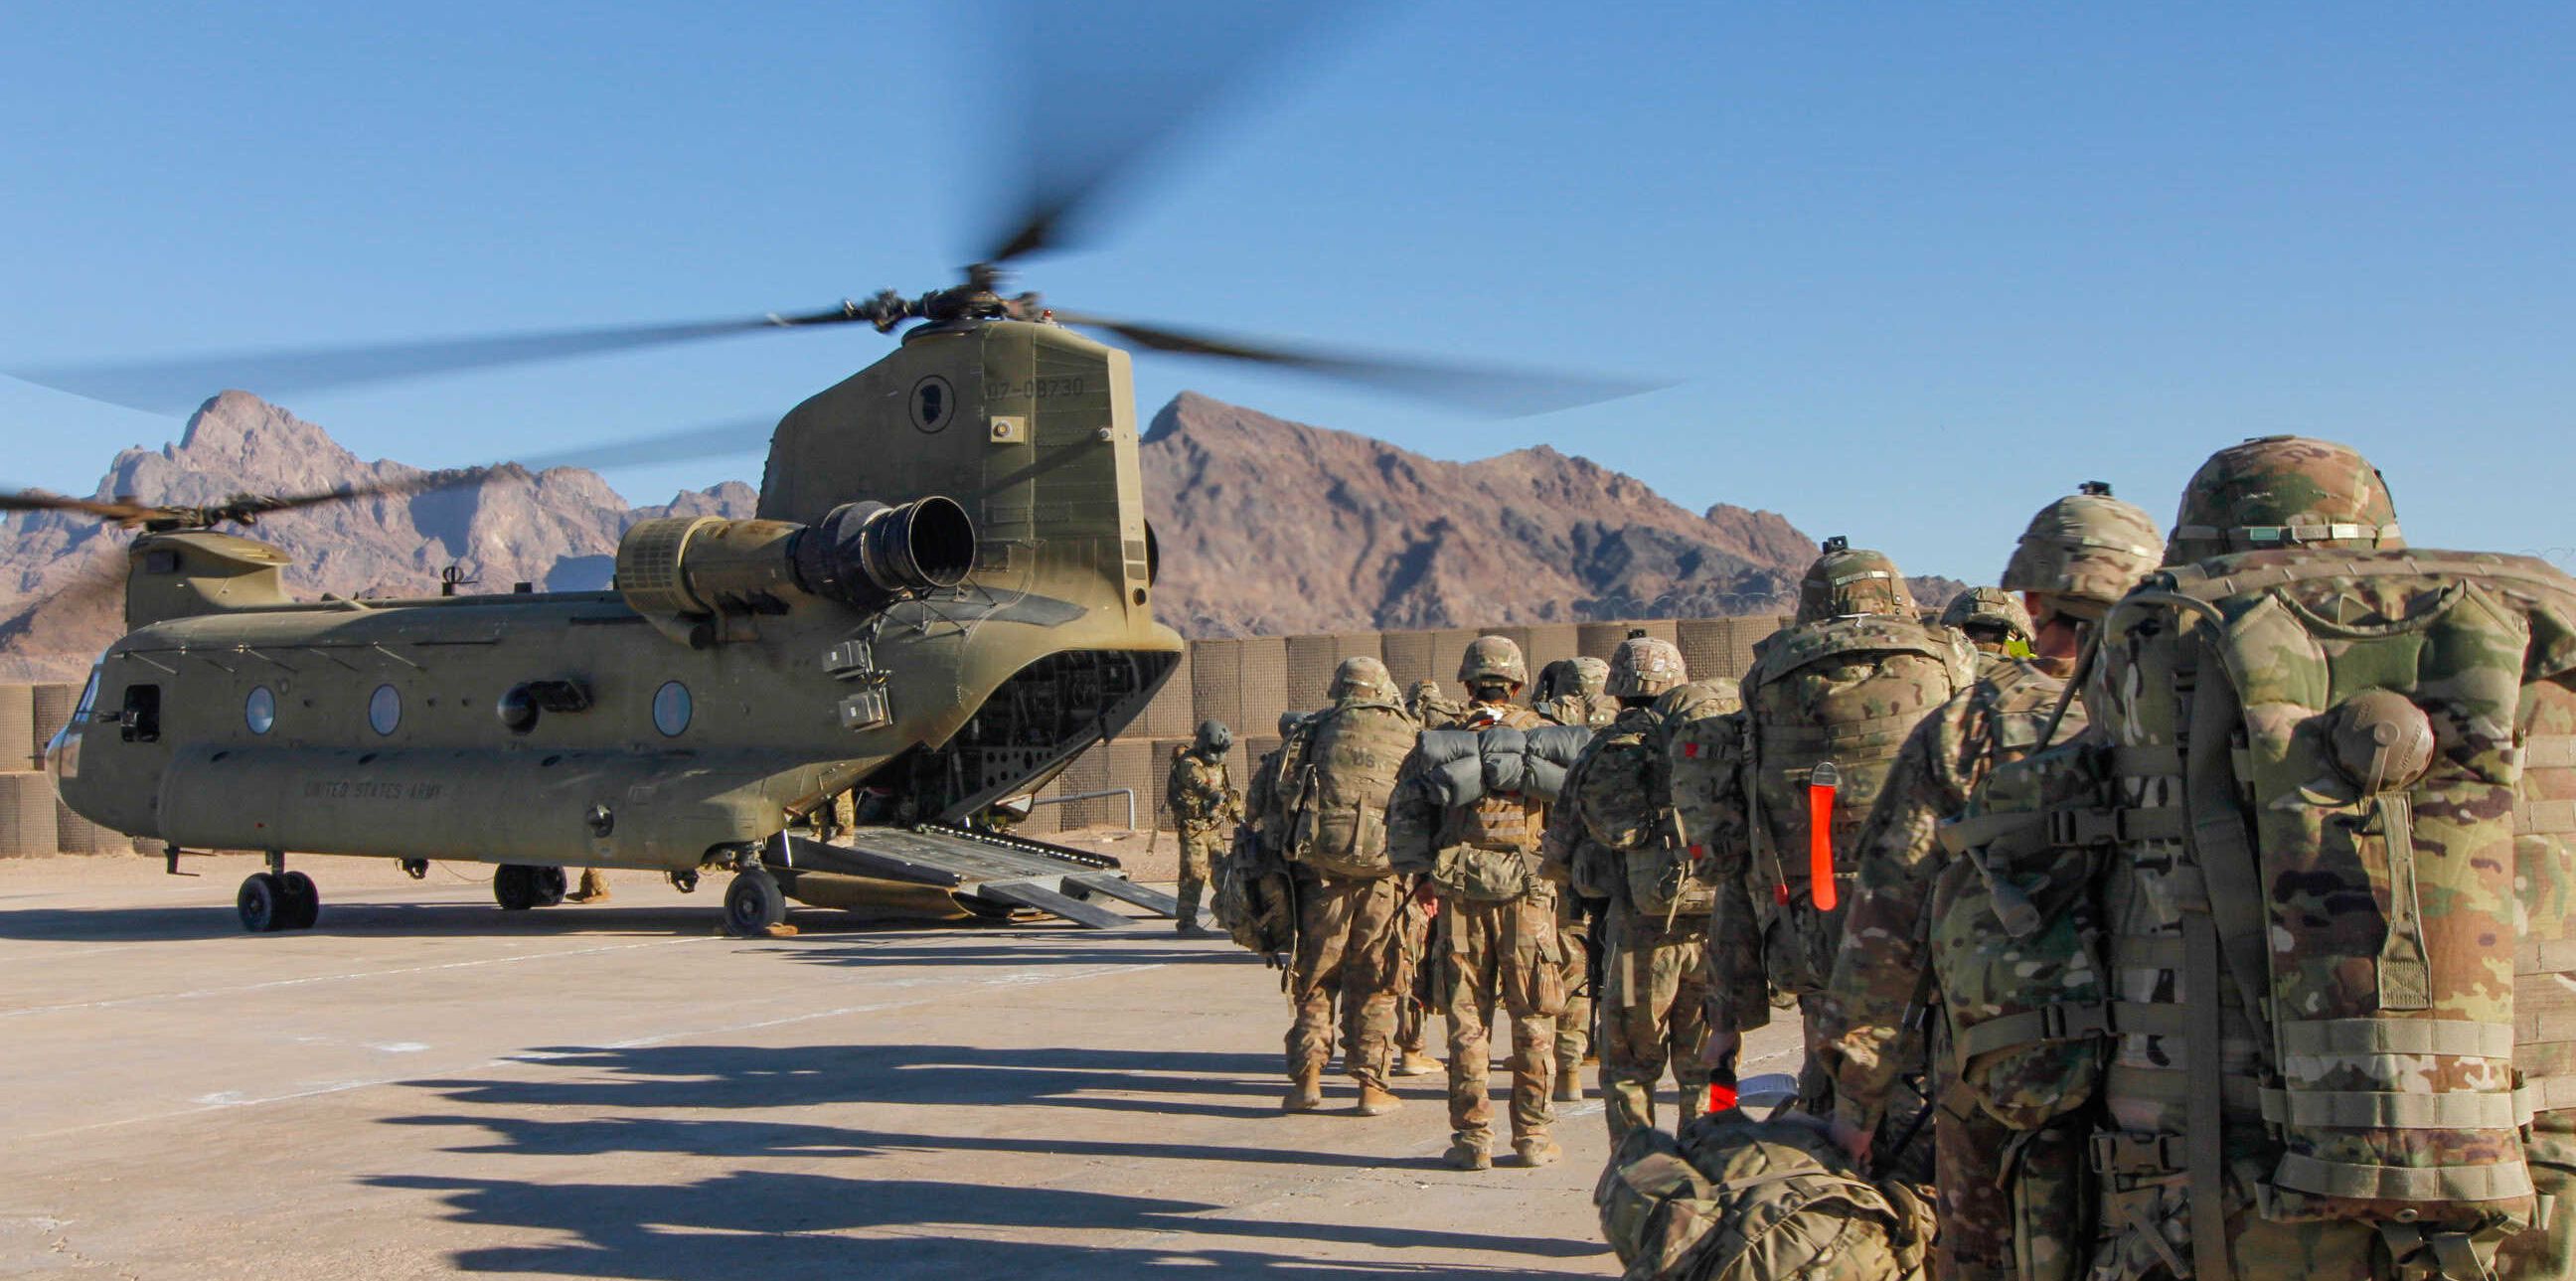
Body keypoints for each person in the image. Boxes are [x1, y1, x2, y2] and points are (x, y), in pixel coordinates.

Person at [1934, 437, 2576, 1280]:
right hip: (2533, 1208)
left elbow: (2025, 1055)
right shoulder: (2541, 649)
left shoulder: (2155, 660)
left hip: (2207, 1209)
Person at [1809, 484, 2160, 1278]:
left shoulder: (1974, 724)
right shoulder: (2202, 713)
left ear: (2032, 600)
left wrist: (1858, 1102)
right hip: (2177, 1087)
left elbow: (1886, 924)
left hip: (2003, 1083)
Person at [1675, 539, 1975, 1103]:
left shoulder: (1768, 680)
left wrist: (1726, 1017)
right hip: (1933, 916)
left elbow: (1743, 848)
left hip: (1812, 923)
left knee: (1832, 1075)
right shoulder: (1948, 658)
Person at [1388, 635, 1569, 1170]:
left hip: (1459, 892)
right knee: (1535, 1016)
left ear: (1467, 685)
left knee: (1467, 1022)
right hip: (1530, 893)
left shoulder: (1443, 741)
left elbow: (1405, 814)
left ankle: (1472, 1141)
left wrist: (1419, 880)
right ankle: (1533, 1138)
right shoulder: (1547, 739)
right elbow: (1578, 812)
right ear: (1517, 683)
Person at [1559, 631, 1733, 1138]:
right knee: (1710, 1059)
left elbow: (1566, 842)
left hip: (1641, 929)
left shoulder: (1611, 746)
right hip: (1717, 923)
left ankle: (1640, 1176)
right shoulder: (1712, 739)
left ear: (1616, 689)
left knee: (1632, 1064)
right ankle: (1712, 1161)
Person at [1276, 657, 1415, 1115]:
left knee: (1315, 980)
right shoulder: (1408, 732)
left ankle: (1307, 1082)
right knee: (1376, 980)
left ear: (1339, 689)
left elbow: (1273, 796)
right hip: (1384, 879)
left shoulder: (1313, 730)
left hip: (1321, 878)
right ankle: (1371, 1088)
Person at [1164, 719, 1238, 936]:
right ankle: (1186, 923)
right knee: (1194, 875)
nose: (1218, 755)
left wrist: (1239, 816)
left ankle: (1228, 918)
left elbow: (1229, 793)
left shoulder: (1219, 766)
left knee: (1224, 874)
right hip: (1193, 829)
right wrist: (1214, 796)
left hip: (1213, 828)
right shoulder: (1189, 763)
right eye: (1215, 749)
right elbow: (1198, 783)